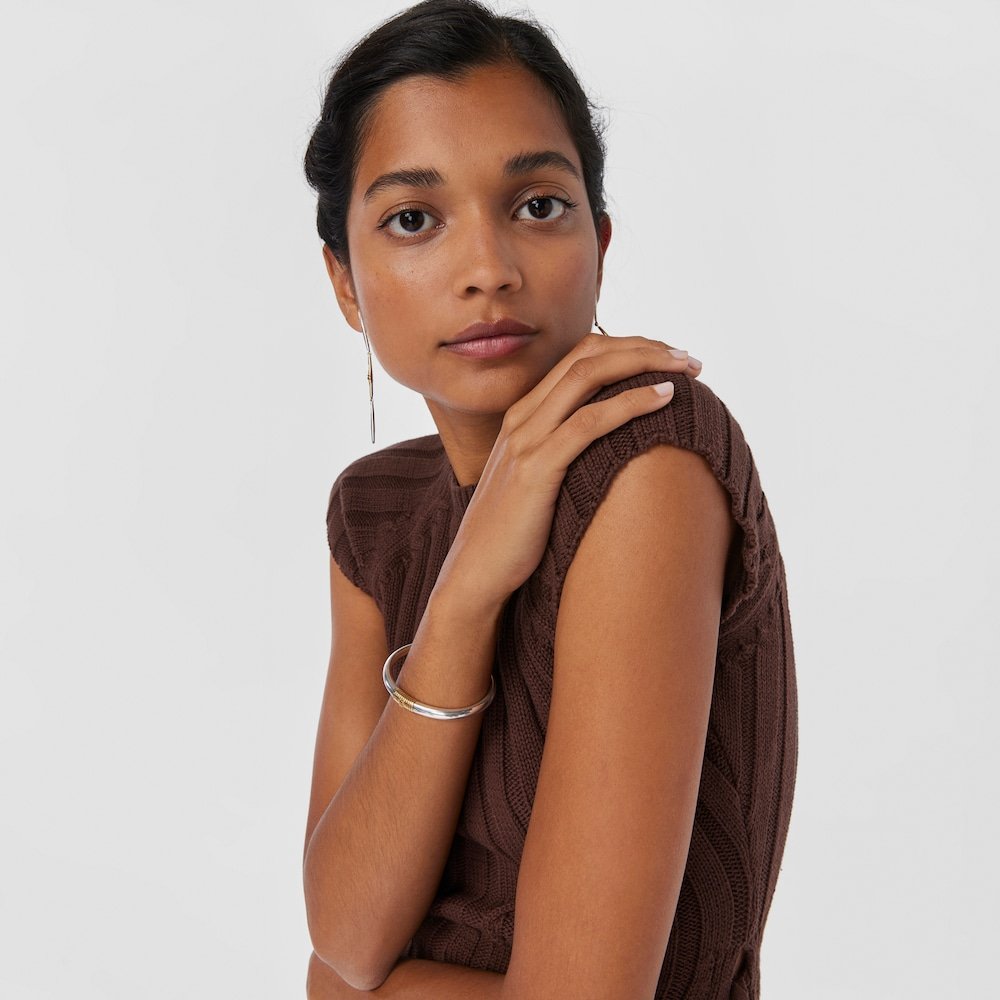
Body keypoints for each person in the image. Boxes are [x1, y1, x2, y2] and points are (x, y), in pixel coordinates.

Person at [301, 1, 798, 997]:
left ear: (600, 242)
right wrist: (464, 595)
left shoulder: (653, 461)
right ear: (346, 282)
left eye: (537, 205)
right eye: (413, 219)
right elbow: (346, 933)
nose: (489, 271)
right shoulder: (376, 512)